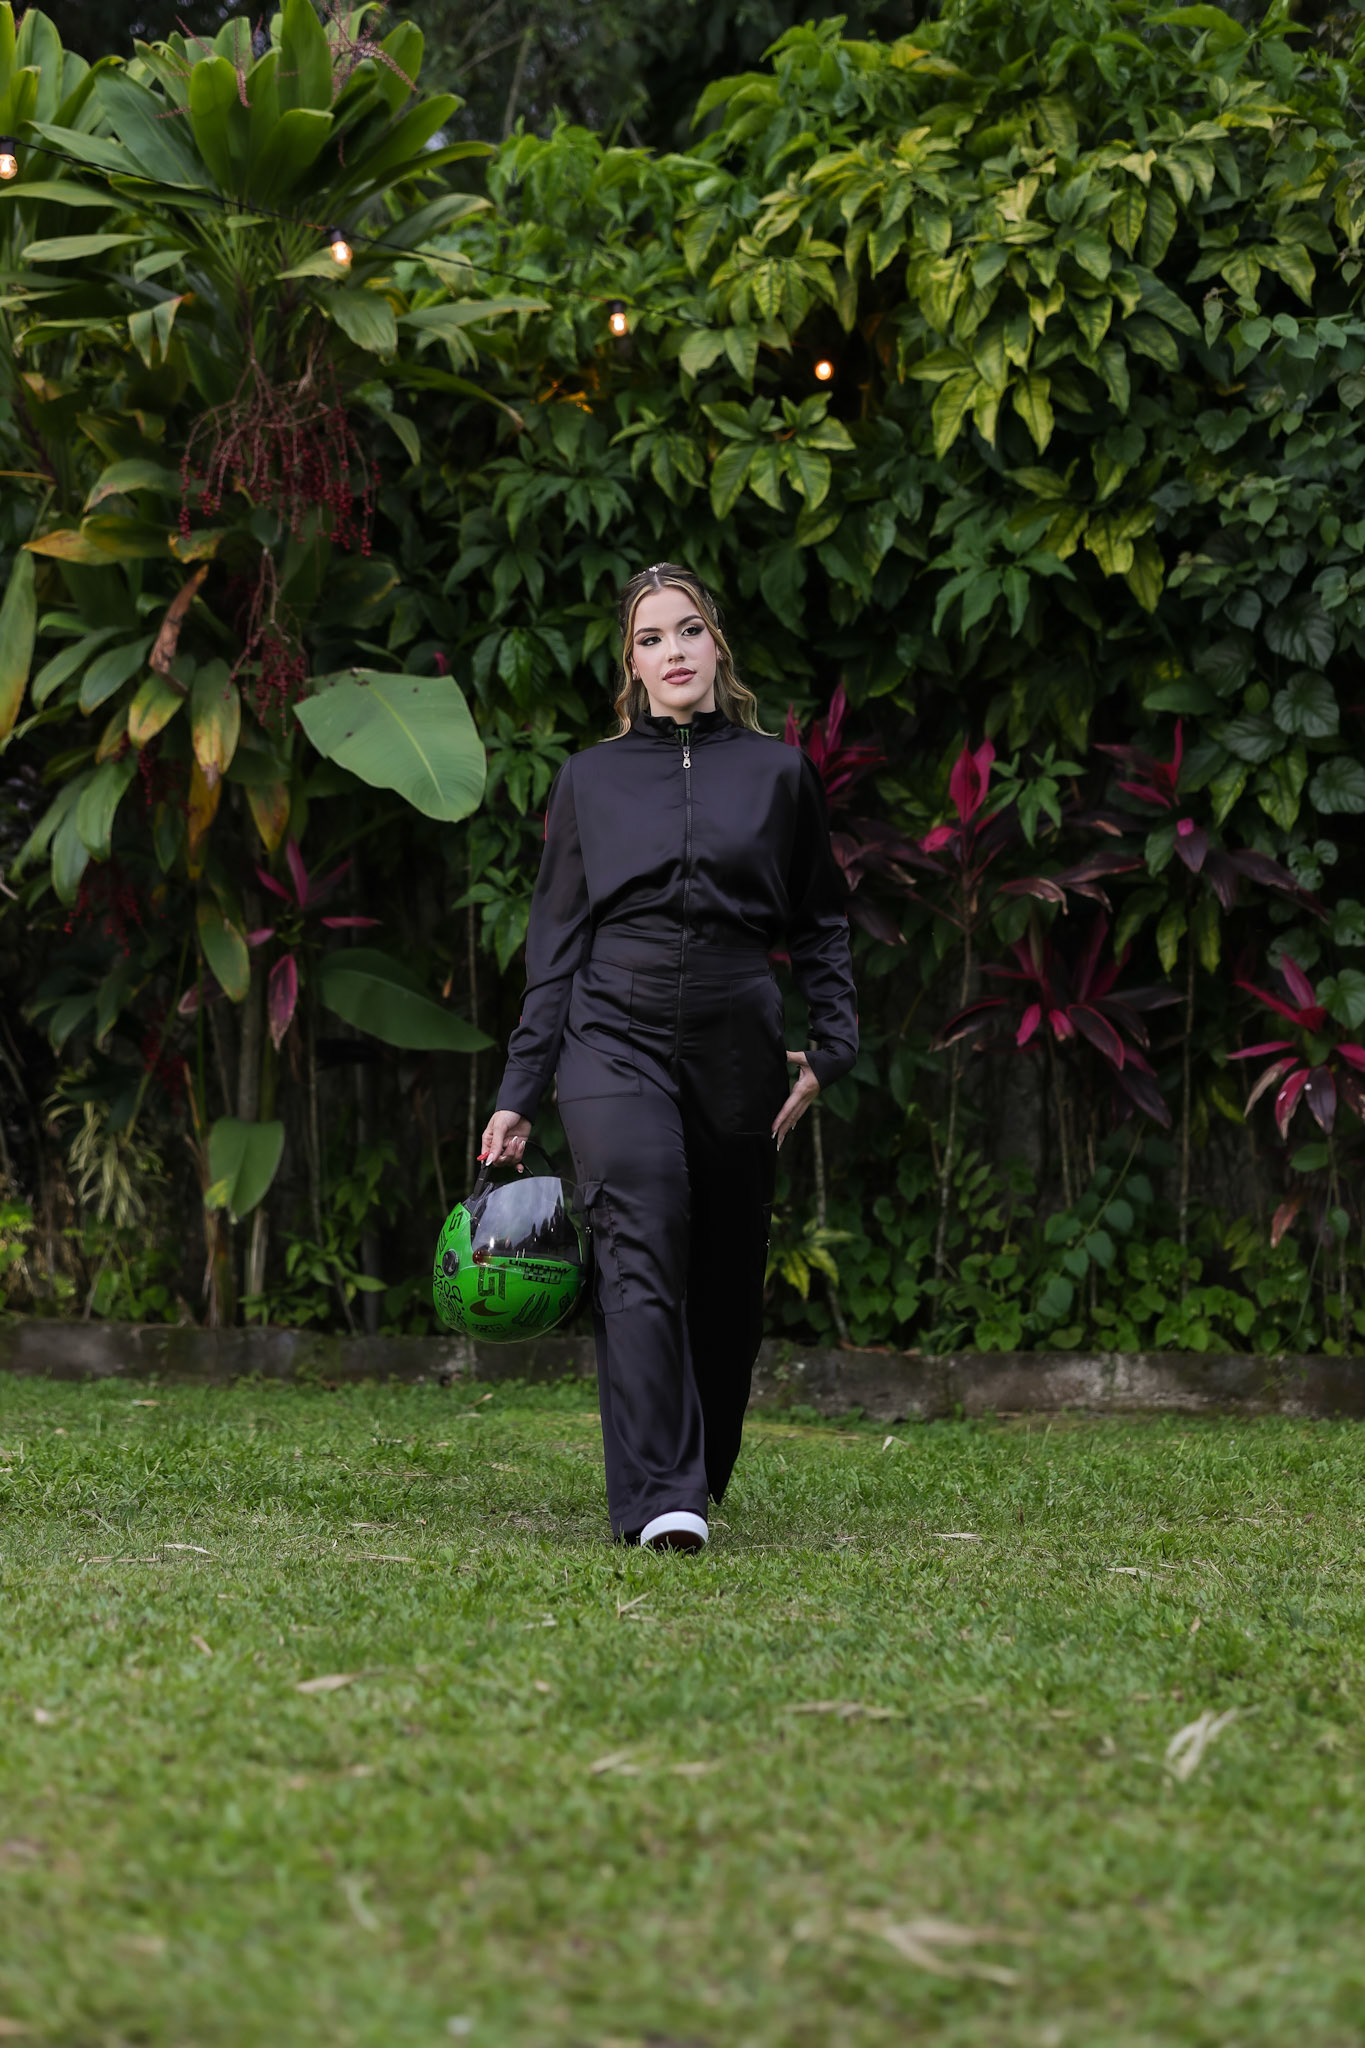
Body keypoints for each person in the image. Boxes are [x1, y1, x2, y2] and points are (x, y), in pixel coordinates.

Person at [480, 563, 858, 1550]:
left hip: (737, 1036)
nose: (673, 651)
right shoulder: (590, 779)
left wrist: (832, 1045)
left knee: (726, 1275)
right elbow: (555, 944)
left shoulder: (779, 773)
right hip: (612, 1029)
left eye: (687, 630)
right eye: (650, 638)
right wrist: (521, 1087)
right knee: (638, 1237)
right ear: (632, 665)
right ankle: (662, 1496)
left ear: (716, 644)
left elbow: (821, 919)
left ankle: (699, 1464)